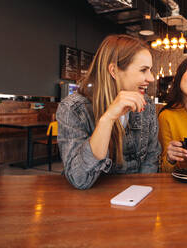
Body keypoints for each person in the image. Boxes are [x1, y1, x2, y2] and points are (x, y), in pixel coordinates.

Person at [57, 34, 161, 189]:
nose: (151, 78)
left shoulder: (147, 105)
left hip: (136, 199)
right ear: (114, 70)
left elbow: (151, 160)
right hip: (89, 202)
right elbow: (79, 179)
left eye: (150, 70)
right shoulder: (73, 109)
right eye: (143, 70)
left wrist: (139, 194)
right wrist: (108, 118)